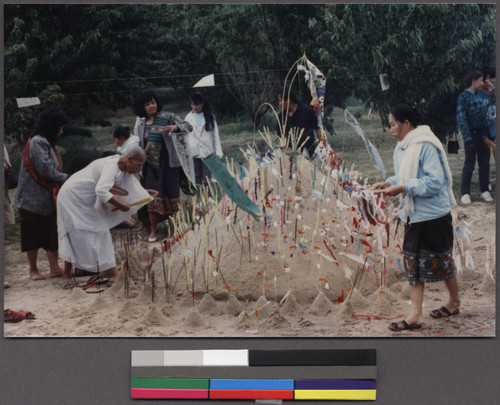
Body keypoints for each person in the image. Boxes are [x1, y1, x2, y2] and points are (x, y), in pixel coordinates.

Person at [371, 103, 459, 331]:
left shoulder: (426, 145)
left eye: (393, 125)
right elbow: (404, 176)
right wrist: (389, 182)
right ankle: (416, 314)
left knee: (443, 262)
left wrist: (402, 188)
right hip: (412, 215)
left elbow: (434, 181)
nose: (391, 129)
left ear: (406, 124)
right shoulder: (402, 148)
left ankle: (454, 301)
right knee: (413, 265)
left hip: (433, 216)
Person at [57, 146, 155, 288]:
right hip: (72, 197)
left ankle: (109, 273)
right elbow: (101, 190)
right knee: (75, 232)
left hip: (85, 200)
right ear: (129, 159)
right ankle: (109, 274)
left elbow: (127, 187)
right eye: (139, 165)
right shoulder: (111, 166)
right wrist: (121, 206)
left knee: (96, 232)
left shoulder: (123, 168)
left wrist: (144, 194)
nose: (140, 169)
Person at [14, 109, 69, 280]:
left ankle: (54, 268)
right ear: (51, 127)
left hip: (46, 197)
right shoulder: (38, 142)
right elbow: (45, 169)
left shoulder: (48, 143)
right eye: (59, 128)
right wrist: (67, 178)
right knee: (32, 235)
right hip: (31, 198)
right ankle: (33, 270)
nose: (61, 132)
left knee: (51, 233)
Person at [133, 89, 193, 242]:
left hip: (169, 164)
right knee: (153, 198)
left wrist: (175, 128)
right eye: (147, 104)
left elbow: (188, 126)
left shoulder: (168, 117)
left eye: (153, 102)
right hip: (151, 166)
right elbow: (139, 144)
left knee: (172, 196)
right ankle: (153, 231)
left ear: (157, 103)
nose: (151, 106)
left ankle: (175, 228)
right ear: (143, 107)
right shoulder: (141, 125)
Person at [456, 69, 493, 204]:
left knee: (484, 162)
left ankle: (484, 190)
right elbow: (461, 119)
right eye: (480, 80)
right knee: (469, 164)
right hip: (471, 134)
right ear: (473, 81)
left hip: (483, 133)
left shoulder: (480, 95)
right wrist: (467, 137)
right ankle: (465, 193)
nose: (482, 82)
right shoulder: (463, 97)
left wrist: (490, 89)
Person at [184, 91, 223, 188]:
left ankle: (209, 200)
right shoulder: (188, 118)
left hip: (207, 152)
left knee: (207, 179)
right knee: (196, 178)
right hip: (194, 152)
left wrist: (218, 152)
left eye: (197, 105)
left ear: (202, 103)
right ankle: (200, 201)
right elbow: (185, 136)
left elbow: (215, 135)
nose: (194, 107)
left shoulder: (209, 116)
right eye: (192, 104)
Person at [276, 86, 323, 157]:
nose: (279, 104)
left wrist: (322, 150)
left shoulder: (307, 111)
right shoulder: (281, 117)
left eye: (280, 100)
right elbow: (280, 139)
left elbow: (318, 130)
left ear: (288, 99)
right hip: (289, 157)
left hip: (308, 156)